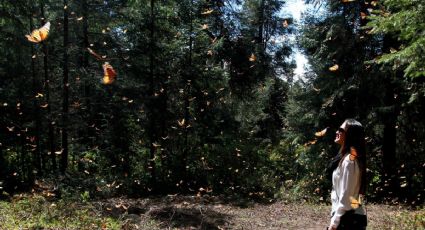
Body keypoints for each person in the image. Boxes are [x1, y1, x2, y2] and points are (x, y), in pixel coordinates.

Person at [327, 119, 367, 230]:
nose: (337, 132)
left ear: (350, 135)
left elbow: (346, 196)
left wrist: (334, 223)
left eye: (341, 130)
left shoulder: (350, 161)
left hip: (348, 220)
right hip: (351, 217)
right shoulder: (346, 158)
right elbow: (353, 196)